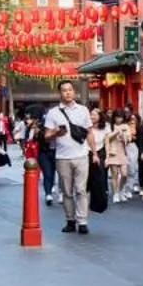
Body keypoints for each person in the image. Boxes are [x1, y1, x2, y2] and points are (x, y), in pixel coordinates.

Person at [46, 80, 94, 235]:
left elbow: (89, 132)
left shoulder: (83, 110)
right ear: (59, 93)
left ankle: (82, 221)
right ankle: (70, 220)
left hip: (81, 155)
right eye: (64, 90)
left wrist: (94, 152)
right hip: (62, 157)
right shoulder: (53, 113)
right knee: (66, 191)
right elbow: (46, 135)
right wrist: (55, 132)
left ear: (74, 92)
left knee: (81, 190)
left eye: (70, 90)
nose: (67, 93)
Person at [107, 110, 133, 203]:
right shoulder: (109, 125)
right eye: (117, 117)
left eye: (121, 117)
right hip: (113, 152)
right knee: (114, 174)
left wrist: (124, 136)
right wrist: (116, 132)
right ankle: (116, 193)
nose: (119, 119)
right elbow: (106, 138)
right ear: (114, 117)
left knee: (124, 174)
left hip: (123, 151)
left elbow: (129, 139)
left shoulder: (126, 126)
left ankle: (121, 189)